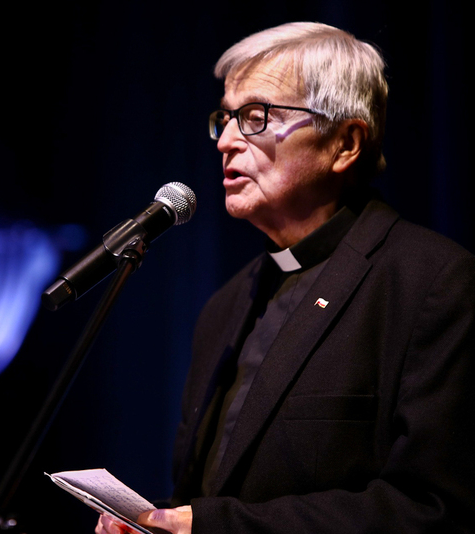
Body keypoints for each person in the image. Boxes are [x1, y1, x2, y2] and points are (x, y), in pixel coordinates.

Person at [97, 22, 474, 534]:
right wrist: (153, 521)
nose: (226, 141)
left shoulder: (432, 282)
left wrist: (207, 527)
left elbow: (433, 508)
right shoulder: (225, 307)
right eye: (225, 118)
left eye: (256, 117)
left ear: (345, 143)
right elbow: (213, 497)